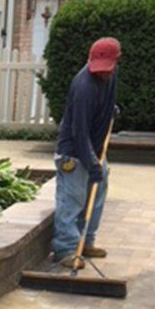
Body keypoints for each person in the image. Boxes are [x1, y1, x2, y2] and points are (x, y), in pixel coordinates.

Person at [52, 37, 120, 269]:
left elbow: (103, 103)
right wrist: (90, 162)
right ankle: (66, 249)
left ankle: (86, 242)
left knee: (97, 195)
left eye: (107, 70)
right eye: (99, 70)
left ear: (115, 63)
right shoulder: (83, 86)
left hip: (95, 150)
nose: (102, 74)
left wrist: (111, 109)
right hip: (73, 152)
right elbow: (78, 130)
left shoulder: (110, 77)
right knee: (72, 200)